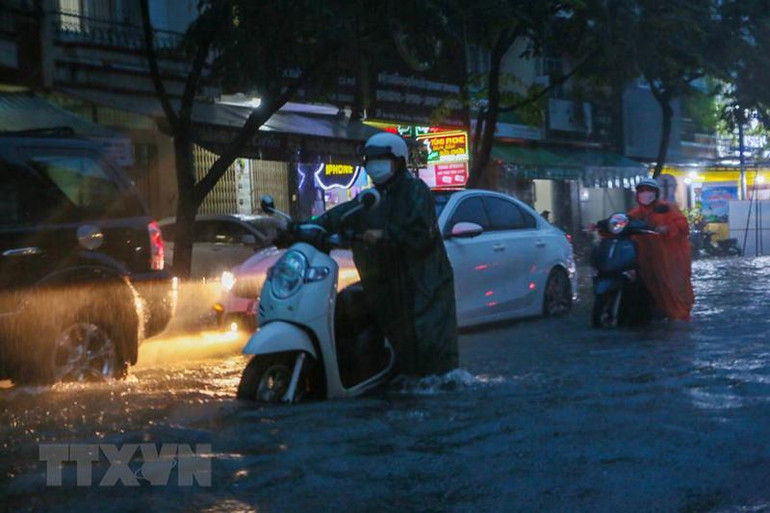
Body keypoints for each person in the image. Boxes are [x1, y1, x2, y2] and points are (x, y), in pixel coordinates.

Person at [312, 132, 459, 376]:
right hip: (385, 283)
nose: (374, 165)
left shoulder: (415, 190)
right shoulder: (372, 197)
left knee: (426, 356)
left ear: (398, 161)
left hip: (421, 286)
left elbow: (420, 233)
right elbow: (341, 215)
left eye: (381, 159)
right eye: (370, 160)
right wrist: (298, 228)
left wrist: (384, 235)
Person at [628, 178, 694, 321]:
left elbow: (683, 227)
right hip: (647, 258)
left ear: (656, 193)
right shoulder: (636, 213)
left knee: (674, 289)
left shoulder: (668, 208)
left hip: (671, 258)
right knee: (653, 286)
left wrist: (667, 228)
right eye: (642, 191)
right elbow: (623, 222)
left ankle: (680, 316)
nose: (645, 194)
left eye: (649, 191)